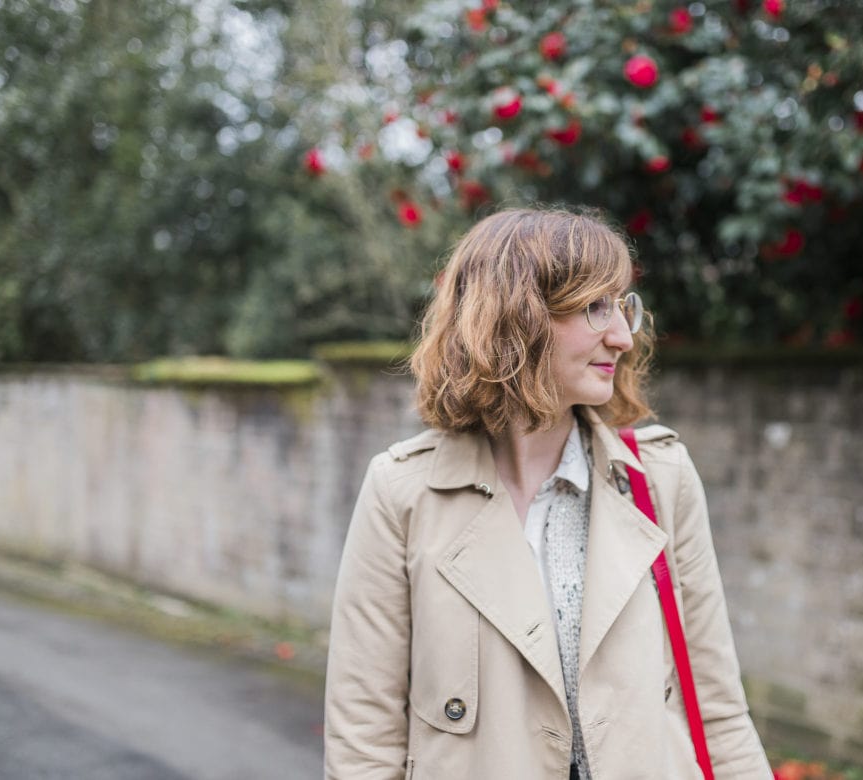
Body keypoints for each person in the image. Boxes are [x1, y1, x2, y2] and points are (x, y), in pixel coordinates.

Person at [324, 207, 773, 779]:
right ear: (517, 319)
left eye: (623, 307)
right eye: (595, 308)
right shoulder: (404, 493)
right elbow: (363, 736)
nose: (623, 336)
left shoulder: (660, 478)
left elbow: (717, 708)